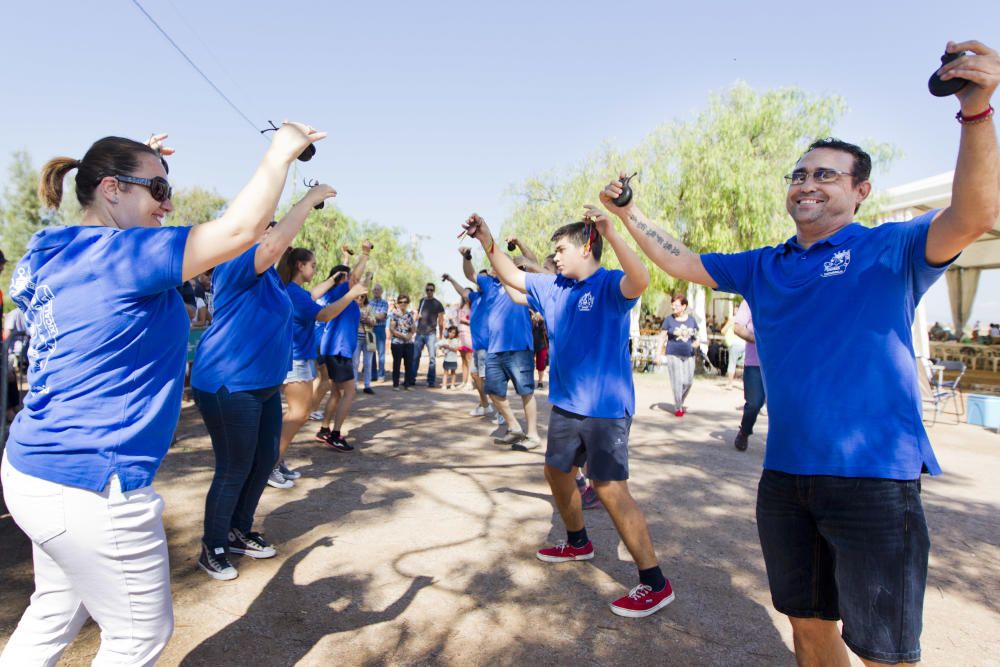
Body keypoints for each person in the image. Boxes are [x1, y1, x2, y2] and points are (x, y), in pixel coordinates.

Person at [599, 38, 999, 665]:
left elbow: (975, 215)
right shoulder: (765, 265)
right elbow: (679, 259)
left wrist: (976, 112)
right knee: (810, 629)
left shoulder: (892, 247)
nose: (808, 184)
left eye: (826, 175)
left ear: (861, 191)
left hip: (875, 480)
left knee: (884, 651)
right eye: (800, 174)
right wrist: (628, 211)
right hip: (786, 480)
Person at [0, 123, 323, 664]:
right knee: (139, 638)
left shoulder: (52, 252)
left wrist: (143, 171)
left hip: (32, 467)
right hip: (92, 483)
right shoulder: (123, 256)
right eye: (157, 190)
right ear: (110, 189)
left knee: (55, 607)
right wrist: (282, 150)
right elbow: (241, 229)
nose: (167, 205)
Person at [462, 211, 675, 618]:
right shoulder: (554, 287)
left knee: (610, 489)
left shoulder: (610, 283)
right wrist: (486, 236)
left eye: (561, 250)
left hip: (606, 409)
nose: (555, 257)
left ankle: (654, 582)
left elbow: (642, 278)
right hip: (566, 404)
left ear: (586, 247)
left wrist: (611, 230)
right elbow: (510, 273)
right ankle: (578, 542)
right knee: (556, 472)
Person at [191, 183, 339, 578]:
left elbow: (285, 265)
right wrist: (307, 201)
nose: (274, 231)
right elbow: (273, 247)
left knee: (262, 462)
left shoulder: (271, 277)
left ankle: (238, 529)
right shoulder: (236, 261)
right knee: (234, 466)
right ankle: (213, 545)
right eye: (266, 226)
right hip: (229, 384)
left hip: (264, 384)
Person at [274, 247, 367, 488]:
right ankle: (271, 464)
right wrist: (350, 294)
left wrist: (334, 280)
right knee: (297, 414)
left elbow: (313, 295)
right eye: (312, 265)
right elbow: (324, 314)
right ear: (299, 266)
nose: (315, 269)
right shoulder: (294, 293)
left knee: (299, 413)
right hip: (296, 359)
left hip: (299, 357)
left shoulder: (294, 291)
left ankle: (276, 460)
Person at [462, 249, 540, 448]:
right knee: (493, 390)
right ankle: (514, 427)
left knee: (526, 391)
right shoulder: (489, 284)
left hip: (520, 346)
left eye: (498, 262)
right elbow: (470, 274)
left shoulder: (521, 281)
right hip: (495, 348)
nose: (492, 266)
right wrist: (467, 257)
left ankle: (532, 435)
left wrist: (520, 245)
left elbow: (534, 263)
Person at [315, 245, 371, 452]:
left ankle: (324, 429)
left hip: (337, 350)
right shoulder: (340, 292)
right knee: (349, 392)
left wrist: (346, 258)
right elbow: (355, 275)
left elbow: (352, 275)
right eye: (347, 278)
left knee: (337, 393)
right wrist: (365, 254)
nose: (353, 280)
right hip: (338, 351)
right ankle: (336, 435)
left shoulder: (342, 297)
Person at [444, 268, 494, 417]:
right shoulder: (475, 296)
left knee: (487, 378)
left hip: (487, 345)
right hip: (478, 345)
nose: (480, 281)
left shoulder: (491, 296)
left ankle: (502, 411)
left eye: (484, 279)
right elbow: (462, 292)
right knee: (474, 374)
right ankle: (485, 404)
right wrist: (452, 279)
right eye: (479, 279)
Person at [732, 300, 764, 452]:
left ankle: (781, 443)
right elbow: (737, 328)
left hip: (781, 363)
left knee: (781, 405)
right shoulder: (751, 299)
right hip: (755, 363)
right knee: (754, 403)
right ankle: (744, 431)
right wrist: (760, 340)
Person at [659, 295, 699, 416]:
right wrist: (658, 353)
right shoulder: (669, 320)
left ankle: (679, 399)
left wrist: (697, 342)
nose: (673, 307)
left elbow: (696, 335)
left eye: (676, 305)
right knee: (677, 381)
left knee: (688, 382)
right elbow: (662, 337)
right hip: (673, 353)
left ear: (684, 306)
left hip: (689, 354)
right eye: (673, 305)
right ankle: (678, 407)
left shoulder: (691, 320)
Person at [413, 282, 445, 387]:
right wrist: (416, 318)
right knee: (415, 356)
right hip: (419, 332)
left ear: (434, 291)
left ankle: (431, 381)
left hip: (431, 334)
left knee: (432, 358)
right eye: (427, 289)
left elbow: (441, 321)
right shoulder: (422, 301)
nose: (429, 291)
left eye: (431, 290)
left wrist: (440, 336)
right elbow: (417, 315)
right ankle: (411, 378)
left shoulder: (438, 303)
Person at [389, 293, 416, 389]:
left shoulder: (409, 315)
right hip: (397, 343)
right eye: (400, 302)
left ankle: (407, 384)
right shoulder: (394, 314)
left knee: (408, 364)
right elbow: (392, 329)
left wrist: (409, 335)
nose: (402, 304)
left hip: (409, 343)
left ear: (407, 303)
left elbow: (413, 329)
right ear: (398, 303)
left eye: (405, 302)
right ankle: (396, 384)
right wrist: (403, 336)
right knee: (397, 363)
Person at [353, 292, 376, 394]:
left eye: (362, 296)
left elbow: (374, 322)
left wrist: (366, 319)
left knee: (367, 363)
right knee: (355, 363)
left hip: (367, 338)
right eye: (358, 295)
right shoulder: (351, 307)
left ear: (366, 297)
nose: (360, 298)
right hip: (355, 338)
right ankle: (354, 385)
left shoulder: (369, 308)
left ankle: (367, 385)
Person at [369, 283, 390, 381]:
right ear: (373, 291)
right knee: (371, 352)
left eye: (378, 289)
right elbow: (365, 315)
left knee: (381, 353)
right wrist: (376, 315)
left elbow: (382, 316)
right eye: (375, 289)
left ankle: (381, 375)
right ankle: (373, 375)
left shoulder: (385, 303)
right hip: (370, 329)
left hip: (380, 329)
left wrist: (371, 315)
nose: (376, 291)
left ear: (381, 292)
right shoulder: (368, 302)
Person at [721, 311, 745, 389]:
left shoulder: (733, 319)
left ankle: (730, 383)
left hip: (734, 344)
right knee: (745, 365)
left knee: (732, 363)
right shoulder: (746, 319)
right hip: (745, 344)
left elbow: (723, 330)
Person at [531, 310, 549, 389]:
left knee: (541, 363)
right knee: (528, 363)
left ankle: (540, 381)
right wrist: (532, 319)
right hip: (530, 342)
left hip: (542, 343)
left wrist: (539, 317)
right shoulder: (528, 311)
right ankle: (529, 381)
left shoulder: (544, 311)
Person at [440, 325, 461, 389]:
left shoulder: (456, 340)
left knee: (453, 373)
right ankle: (444, 385)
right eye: (450, 332)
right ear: (448, 332)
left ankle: (452, 385)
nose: (451, 334)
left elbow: (456, 349)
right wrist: (443, 348)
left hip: (453, 360)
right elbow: (441, 348)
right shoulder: (445, 340)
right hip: (446, 359)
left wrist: (448, 347)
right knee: (445, 373)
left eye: (454, 333)